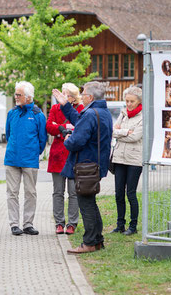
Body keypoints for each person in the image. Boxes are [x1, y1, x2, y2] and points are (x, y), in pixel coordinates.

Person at [52, 81, 113, 254]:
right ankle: (97, 240)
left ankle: (90, 242)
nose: (81, 95)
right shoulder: (101, 112)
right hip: (95, 166)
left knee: (86, 204)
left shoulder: (91, 114)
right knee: (90, 203)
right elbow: (80, 121)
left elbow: (77, 141)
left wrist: (67, 140)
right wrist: (65, 105)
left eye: (83, 93)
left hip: (86, 166)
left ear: (91, 97)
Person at [5, 81, 47, 236]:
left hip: (30, 160)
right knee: (12, 193)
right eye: (15, 94)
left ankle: (28, 224)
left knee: (30, 192)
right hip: (11, 159)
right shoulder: (12, 113)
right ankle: (14, 224)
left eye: (19, 94)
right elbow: (9, 135)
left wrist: (34, 152)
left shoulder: (38, 115)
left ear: (28, 97)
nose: (16, 97)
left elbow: (43, 139)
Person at [46, 83, 83, 235]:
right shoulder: (55, 109)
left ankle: (72, 223)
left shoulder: (80, 109)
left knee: (74, 192)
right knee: (58, 191)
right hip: (58, 156)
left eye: (67, 94)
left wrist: (60, 126)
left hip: (74, 155)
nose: (63, 97)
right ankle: (59, 223)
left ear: (74, 97)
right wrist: (63, 128)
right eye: (62, 94)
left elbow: (79, 126)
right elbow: (49, 126)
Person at [110, 86, 143, 236]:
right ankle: (120, 224)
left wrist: (119, 133)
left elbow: (135, 137)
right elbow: (112, 131)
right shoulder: (123, 114)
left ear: (139, 101)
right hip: (119, 158)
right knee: (118, 193)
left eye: (132, 101)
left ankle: (133, 225)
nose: (128, 104)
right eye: (127, 101)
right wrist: (124, 132)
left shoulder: (143, 117)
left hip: (134, 160)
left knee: (130, 193)